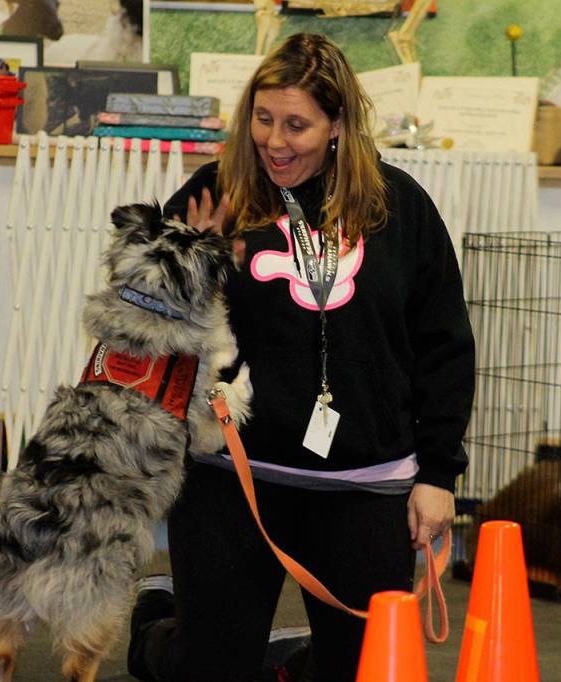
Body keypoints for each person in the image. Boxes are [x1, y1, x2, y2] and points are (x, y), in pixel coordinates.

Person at [127, 32, 475, 682]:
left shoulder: (401, 209)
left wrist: (438, 476)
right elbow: (138, 330)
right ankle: (154, 633)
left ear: (338, 124)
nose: (276, 141)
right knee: (211, 666)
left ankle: (291, 664)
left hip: (364, 486)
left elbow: (445, 347)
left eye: (297, 125)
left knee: (358, 670)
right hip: (231, 475)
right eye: (263, 119)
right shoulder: (214, 194)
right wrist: (180, 266)